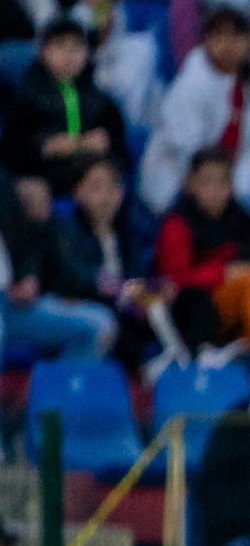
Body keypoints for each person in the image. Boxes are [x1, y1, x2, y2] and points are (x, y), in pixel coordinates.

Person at [140, 7, 250, 274]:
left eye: (237, 37)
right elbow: (190, 150)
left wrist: (237, 188)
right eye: (219, 36)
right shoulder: (191, 84)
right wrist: (215, 187)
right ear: (206, 40)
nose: (228, 45)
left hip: (235, 192)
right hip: (182, 192)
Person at [42, 157, 178, 371]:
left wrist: (156, 288)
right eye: (96, 187)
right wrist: (127, 291)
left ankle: (191, 365)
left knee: (176, 301)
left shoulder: (131, 232)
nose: (106, 197)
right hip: (87, 307)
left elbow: (138, 278)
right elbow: (78, 279)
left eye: (113, 187)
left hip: (129, 310)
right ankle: (146, 372)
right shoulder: (65, 230)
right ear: (78, 192)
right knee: (117, 315)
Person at [156, 148, 250, 362]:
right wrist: (223, 273)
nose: (215, 190)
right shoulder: (177, 223)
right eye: (206, 182)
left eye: (222, 182)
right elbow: (173, 280)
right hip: (195, 314)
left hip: (237, 316)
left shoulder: (240, 219)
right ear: (190, 183)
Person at [2, 18, 130, 212]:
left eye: (76, 47)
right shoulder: (26, 100)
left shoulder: (102, 102)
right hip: (46, 183)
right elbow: (11, 154)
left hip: (92, 183)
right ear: (44, 51)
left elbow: (121, 152)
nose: (68, 55)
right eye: (60, 46)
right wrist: (45, 149)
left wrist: (101, 148)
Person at [1, 156, 114, 363]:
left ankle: (57, 393)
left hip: (11, 301)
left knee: (99, 325)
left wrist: (27, 274)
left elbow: (20, 242)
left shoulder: (2, 180)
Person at [69, 0, 164, 132]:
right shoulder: (77, 15)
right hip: (93, 76)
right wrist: (101, 33)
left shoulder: (118, 9)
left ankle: (138, 129)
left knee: (144, 50)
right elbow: (83, 59)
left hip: (118, 69)